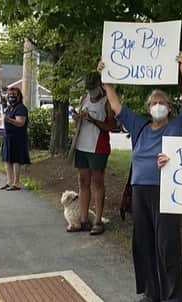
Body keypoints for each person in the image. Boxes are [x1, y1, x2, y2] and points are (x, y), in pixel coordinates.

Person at [100, 51, 182, 302]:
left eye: (161, 101)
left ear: (169, 107)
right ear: (147, 108)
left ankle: (173, 297)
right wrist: (106, 80)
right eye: (153, 102)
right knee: (143, 244)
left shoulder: (175, 126)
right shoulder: (139, 125)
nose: (157, 105)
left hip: (165, 191)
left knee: (167, 246)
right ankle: (152, 293)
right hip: (140, 192)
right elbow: (116, 106)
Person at [69, 72, 116, 235]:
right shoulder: (84, 98)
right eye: (88, 88)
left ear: (100, 85)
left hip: (98, 146)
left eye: (93, 88)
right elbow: (78, 121)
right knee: (83, 181)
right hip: (82, 144)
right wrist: (77, 118)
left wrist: (93, 120)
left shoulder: (107, 102)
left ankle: (98, 220)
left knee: (97, 182)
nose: (90, 91)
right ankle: (83, 219)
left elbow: (112, 126)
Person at [0, 87, 30, 191]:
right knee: (7, 159)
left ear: (19, 96)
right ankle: (9, 181)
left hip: (17, 138)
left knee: (15, 160)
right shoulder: (9, 108)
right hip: (7, 137)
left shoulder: (21, 108)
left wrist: (8, 119)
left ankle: (16, 183)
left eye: (14, 94)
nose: (11, 96)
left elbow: (20, 122)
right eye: (9, 94)